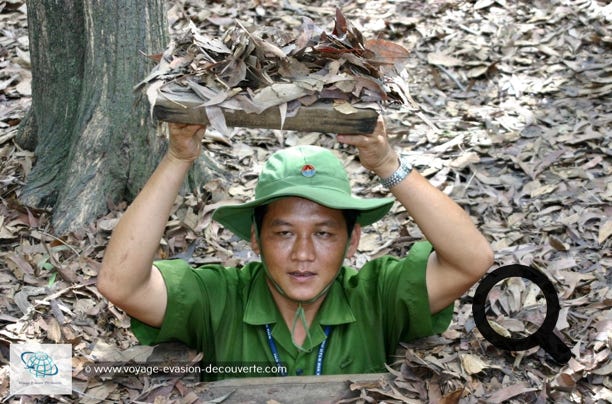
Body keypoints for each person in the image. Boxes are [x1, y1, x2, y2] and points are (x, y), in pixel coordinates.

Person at [97, 118, 494, 380]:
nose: (303, 254)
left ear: (353, 242)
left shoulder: (376, 297)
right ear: (255, 239)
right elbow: (121, 284)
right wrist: (178, 157)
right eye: (284, 233)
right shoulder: (219, 298)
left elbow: (471, 260)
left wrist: (388, 163)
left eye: (324, 234)